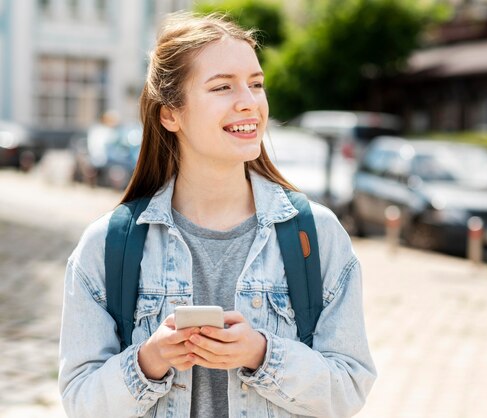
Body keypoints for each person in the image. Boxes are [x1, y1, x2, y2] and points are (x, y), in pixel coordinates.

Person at [58, 11, 376, 418]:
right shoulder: (108, 244)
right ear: (170, 115)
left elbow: (349, 389)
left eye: (256, 84)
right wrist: (148, 362)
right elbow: (81, 402)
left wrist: (263, 354)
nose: (249, 102)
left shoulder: (316, 235)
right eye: (223, 86)